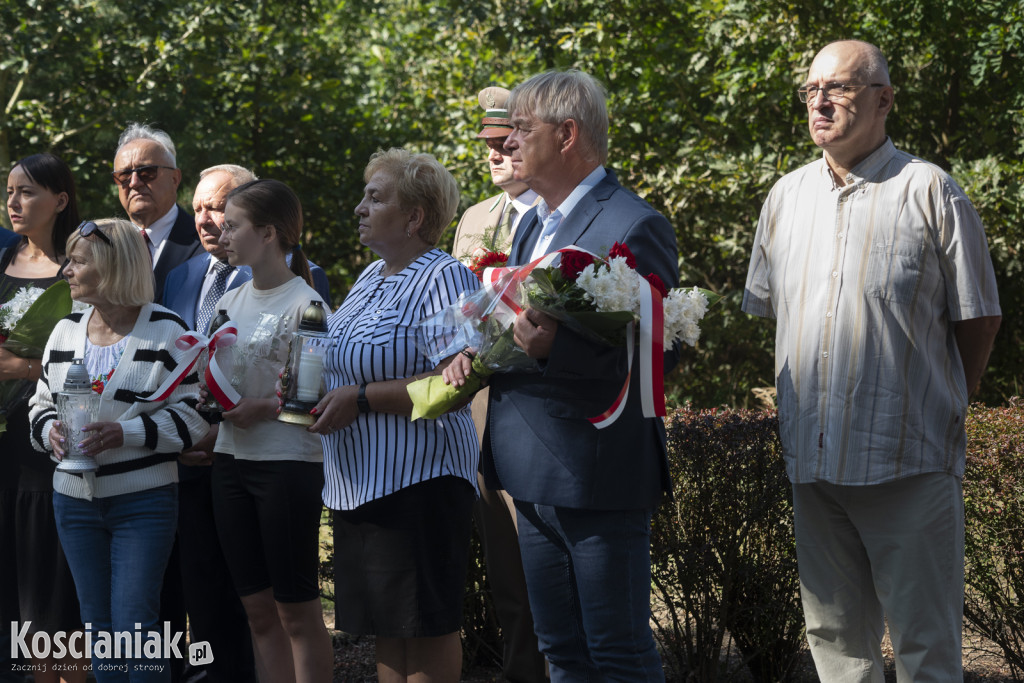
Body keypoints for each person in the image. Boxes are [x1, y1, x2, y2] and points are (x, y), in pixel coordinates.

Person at [741, 40, 1002, 681]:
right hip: (814, 461)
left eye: (838, 87)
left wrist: (946, 405)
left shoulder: (931, 190)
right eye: (810, 90)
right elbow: (781, 315)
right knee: (834, 643)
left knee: (925, 647)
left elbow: (981, 315)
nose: (820, 101)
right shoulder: (784, 197)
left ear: (884, 99)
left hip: (907, 461)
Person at [444, 70, 679, 682]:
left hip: (597, 470)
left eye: (522, 128)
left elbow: (662, 353)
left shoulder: (632, 224)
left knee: (617, 652)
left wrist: (554, 351)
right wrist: (479, 349)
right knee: (561, 652)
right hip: (527, 465)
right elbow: (517, 323)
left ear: (567, 134)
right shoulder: (529, 222)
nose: (508, 142)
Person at [313, 148, 479, 683]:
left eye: (375, 197)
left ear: (414, 218)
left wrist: (361, 398)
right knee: (388, 628)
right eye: (364, 195)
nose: (359, 207)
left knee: (425, 629)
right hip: (358, 484)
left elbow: (456, 382)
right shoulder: (367, 278)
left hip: (418, 482)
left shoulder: (443, 277)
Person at [28, 218, 210, 682]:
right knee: (99, 630)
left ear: (110, 267)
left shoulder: (169, 332)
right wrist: (48, 431)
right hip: (72, 501)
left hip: (143, 502)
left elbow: (194, 418)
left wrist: (124, 434)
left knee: (136, 628)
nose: (66, 269)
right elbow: (40, 404)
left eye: (78, 261)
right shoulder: (65, 331)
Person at [207, 179, 332, 683]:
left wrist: (261, 407)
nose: (222, 233)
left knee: (295, 609)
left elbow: (310, 400)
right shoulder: (231, 301)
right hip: (229, 462)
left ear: (269, 233)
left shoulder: (309, 305)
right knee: (257, 609)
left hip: (285, 465)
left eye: (233, 224)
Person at [449, 87, 546, 683]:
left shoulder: (560, 213)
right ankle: (520, 672)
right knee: (504, 558)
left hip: (541, 398)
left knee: (546, 560)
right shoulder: (476, 218)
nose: (495, 155)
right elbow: (456, 309)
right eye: (486, 146)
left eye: (506, 143)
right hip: (481, 400)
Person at [2, 153, 86, 683]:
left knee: (49, 591)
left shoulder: (78, 268)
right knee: (11, 587)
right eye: (9, 191)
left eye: (27, 191)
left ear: (60, 200)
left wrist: (24, 367)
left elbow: (94, 354)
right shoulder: (1, 258)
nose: (14, 202)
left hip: (46, 445)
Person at [112, 123, 201, 302]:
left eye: (147, 172)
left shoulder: (207, 242)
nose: (134, 183)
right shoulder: (103, 246)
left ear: (175, 178)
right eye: (124, 176)